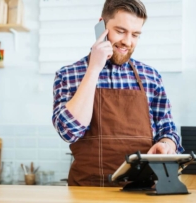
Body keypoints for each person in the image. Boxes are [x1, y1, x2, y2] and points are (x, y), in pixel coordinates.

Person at [52, 0, 184, 187]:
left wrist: (167, 145)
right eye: (120, 31)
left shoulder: (150, 77)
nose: (127, 42)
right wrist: (93, 70)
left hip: (142, 192)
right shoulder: (68, 75)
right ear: (102, 25)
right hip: (88, 192)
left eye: (135, 34)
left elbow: (168, 130)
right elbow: (69, 132)